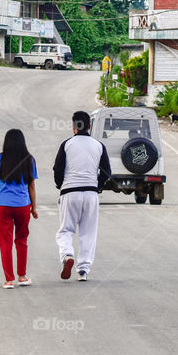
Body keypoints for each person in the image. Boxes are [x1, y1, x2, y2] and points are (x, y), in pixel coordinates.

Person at [53, 111, 111, 281]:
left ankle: (67, 255)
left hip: (70, 192)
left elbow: (58, 169)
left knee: (65, 230)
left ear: (74, 127)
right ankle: (83, 270)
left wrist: (60, 185)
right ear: (89, 126)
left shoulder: (66, 144)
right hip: (91, 193)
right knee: (88, 232)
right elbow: (107, 172)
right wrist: (97, 187)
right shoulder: (99, 145)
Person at [0, 129, 38, 289]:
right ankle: (22, 276)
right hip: (23, 205)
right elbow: (32, 186)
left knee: (5, 242)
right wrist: (34, 208)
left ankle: (9, 280)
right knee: (22, 240)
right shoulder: (29, 160)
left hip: (3, 205)